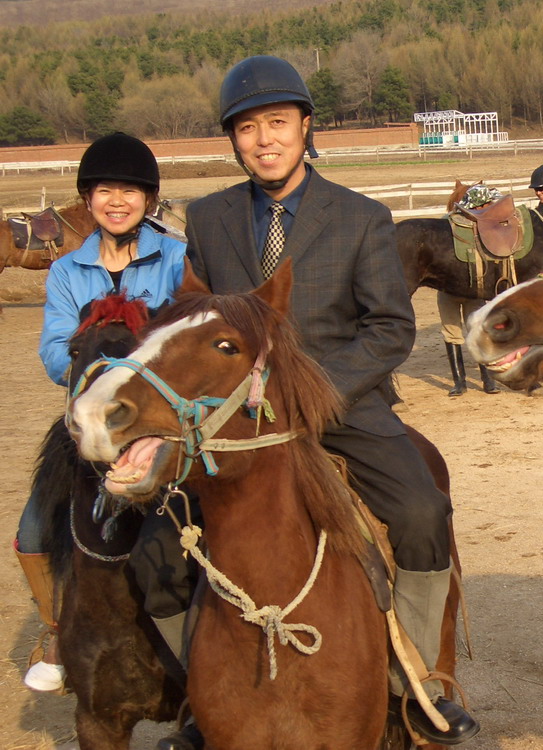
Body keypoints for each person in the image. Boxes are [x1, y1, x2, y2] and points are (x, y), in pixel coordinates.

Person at [183, 54, 480, 747]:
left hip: (342, 408)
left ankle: (419, 680)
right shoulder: (208, 218)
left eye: (278, 123)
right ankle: (196, 700)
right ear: (233, 139)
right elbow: (195, 321)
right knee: (168, 534)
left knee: (421, 508)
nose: (264, 140)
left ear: (305, 127)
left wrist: (312, 392)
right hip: (238, 419)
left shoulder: (361, 217)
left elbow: (389, 328)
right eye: (248, 128)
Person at [17, 132, 187, 693]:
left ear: (149, 200)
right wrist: (89, 365)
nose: (118, 200)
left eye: (131, 190)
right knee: (34, 532)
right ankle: (55, 628)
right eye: (105, 190)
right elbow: (51, 349)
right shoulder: (66, 272)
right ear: (88, 198)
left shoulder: (178, 260)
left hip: (158, 420)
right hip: (87, 415)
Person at [438, 291, 499, 396]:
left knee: (480, 332)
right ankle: (459, 382)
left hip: (474, 292)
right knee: (451, 333)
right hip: (447, 291)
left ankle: (488, 379)